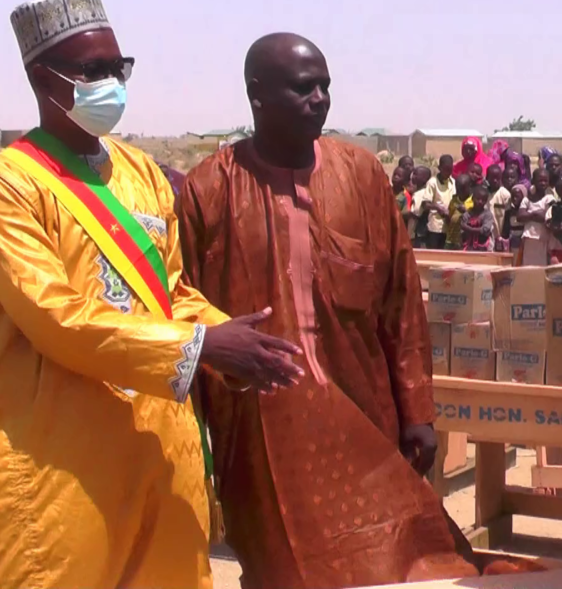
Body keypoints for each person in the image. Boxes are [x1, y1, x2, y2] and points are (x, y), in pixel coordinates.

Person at [0, 0, 305, 589]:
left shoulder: (140, 174)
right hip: (52, 455)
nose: (112, 82)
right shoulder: (4, 189)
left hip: (152, 444)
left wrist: (229, 335)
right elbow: (58, 316)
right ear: (43, 79)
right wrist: (199, 349)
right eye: (94, 70)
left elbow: (169, 293)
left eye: (120, 67)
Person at [177, 33, 481, 587]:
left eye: (325, 87)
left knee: (391, 559)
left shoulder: (362, 175)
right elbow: (184, 309)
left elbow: (400, 304)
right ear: (257, 95)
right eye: (303, 88)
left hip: (365, 422)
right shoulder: (207, 192)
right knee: (282, 569)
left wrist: (417, 411)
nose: (320, 99)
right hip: (263, 438)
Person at [517, 168, 556, 266]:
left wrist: (529, 215)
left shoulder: (549, 199)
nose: (543, 183)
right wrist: (535, 214)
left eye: (545, 180)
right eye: (540, 180)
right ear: (533, 181)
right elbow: (520, 216)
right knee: (527, 266)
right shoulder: (527, 200)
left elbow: (548, 217)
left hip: (543, 238)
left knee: (541, 267)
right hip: (529, 237)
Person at [418, 155, 455, 250]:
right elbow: (425, 204)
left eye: (450, 170)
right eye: (445, 169)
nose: (448, 173)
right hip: (435, 226)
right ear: (439, 168)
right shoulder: (432, 183)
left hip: (449, 226)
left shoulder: (453, 182)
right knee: (434, 252)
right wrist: (438, 208)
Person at [461, 183, 495, 252]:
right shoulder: (467, 213)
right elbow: (462, 227)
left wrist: (469, 229)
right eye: (478, 199)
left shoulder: (487, 214)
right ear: (473, 198)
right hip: (468, 247)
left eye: (483, 200)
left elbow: (485, 230)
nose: (480, 202)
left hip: (484, 247)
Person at [486, 163, 511, 247]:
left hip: (499, 236)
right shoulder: (484, 193)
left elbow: (507, 216)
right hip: (486, 236)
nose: (495, 180)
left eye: (497, 178)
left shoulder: (505, 194)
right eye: (492, 178)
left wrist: (503, 236)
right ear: (487, 178)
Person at [446, 174, 473, 250]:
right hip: (451, 239)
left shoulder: (473, 201)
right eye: (458, 189)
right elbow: (449, 216)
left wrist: (465, 211)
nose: (460, 191)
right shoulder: (454, 200)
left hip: (466, 240)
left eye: (463, 189)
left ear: (469, 186)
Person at [409, 166, 432, 248]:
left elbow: (415, 213)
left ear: (424, 179)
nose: (412, 176)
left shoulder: (420, 194)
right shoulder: (426, 192)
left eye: (416, 174)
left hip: (419, 233)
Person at [503, 183, 527, 254]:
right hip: (513, 242)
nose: (514, 199)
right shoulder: (509, 212)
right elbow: (506, 229)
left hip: (525, 242)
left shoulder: (527, 211)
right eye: (513, 197)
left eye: (517, 196)